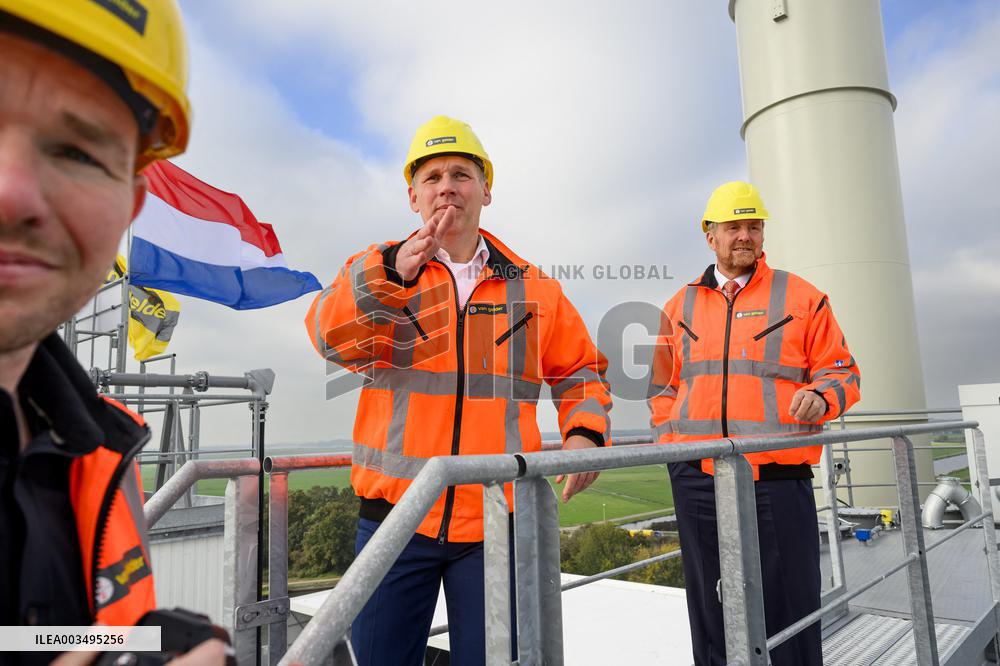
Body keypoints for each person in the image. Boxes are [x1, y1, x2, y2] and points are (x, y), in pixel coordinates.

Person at [306, 115, 613, 665]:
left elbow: (580, 372)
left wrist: (585, 432)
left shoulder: (534, 286)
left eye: (461, 173)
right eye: (432, 176)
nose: (447, 185)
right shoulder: (374, 268)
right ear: (413, 196)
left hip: (498, 518)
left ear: (486, 190)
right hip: (395, 518)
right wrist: (390, 277)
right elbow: (329, 339)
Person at [0, 1, 222, 663]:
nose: (10, 192)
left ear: (128, 207)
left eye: (76, 150)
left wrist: (130, 644)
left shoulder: (87, 449)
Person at [647, 181, 861, 665]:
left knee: (790, 604)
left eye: (754, 226)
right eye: (733, 226)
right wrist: (672, 453)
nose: (745, 235)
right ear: (710, 235)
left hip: (777, 478)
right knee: (710, 608)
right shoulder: (677, 307)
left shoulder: (802, 298)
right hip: (698, 479)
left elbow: (844, 372)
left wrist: (822, 396)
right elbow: (662, 389)